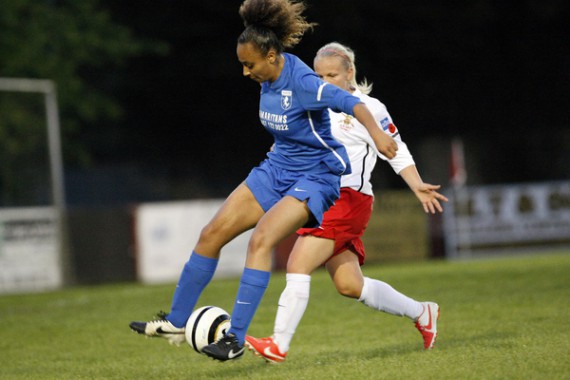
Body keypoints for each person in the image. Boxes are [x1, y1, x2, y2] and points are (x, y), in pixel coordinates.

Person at [129, 0, 399, 362]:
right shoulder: (267, 76)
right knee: (212, 233)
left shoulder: (303, 81)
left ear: (272, 56)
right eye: (242, 64)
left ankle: (235, 338)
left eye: (249, 64)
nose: (245, 72)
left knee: (261, 239)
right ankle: (176, 320)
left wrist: (379, 136)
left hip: (317, 174)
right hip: (276, 168)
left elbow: (352, 104)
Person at [244, 42, 448, 363]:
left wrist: (416, 184)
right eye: (319, 75)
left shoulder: (367, 107)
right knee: (350, 285)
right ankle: (422, 312)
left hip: (348, 198)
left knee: (297, 264)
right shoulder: (312, 105)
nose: (325, 81)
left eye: (332, 74)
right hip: (321, 197)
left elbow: (395, 147)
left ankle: (278, 345)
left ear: (349, 72)